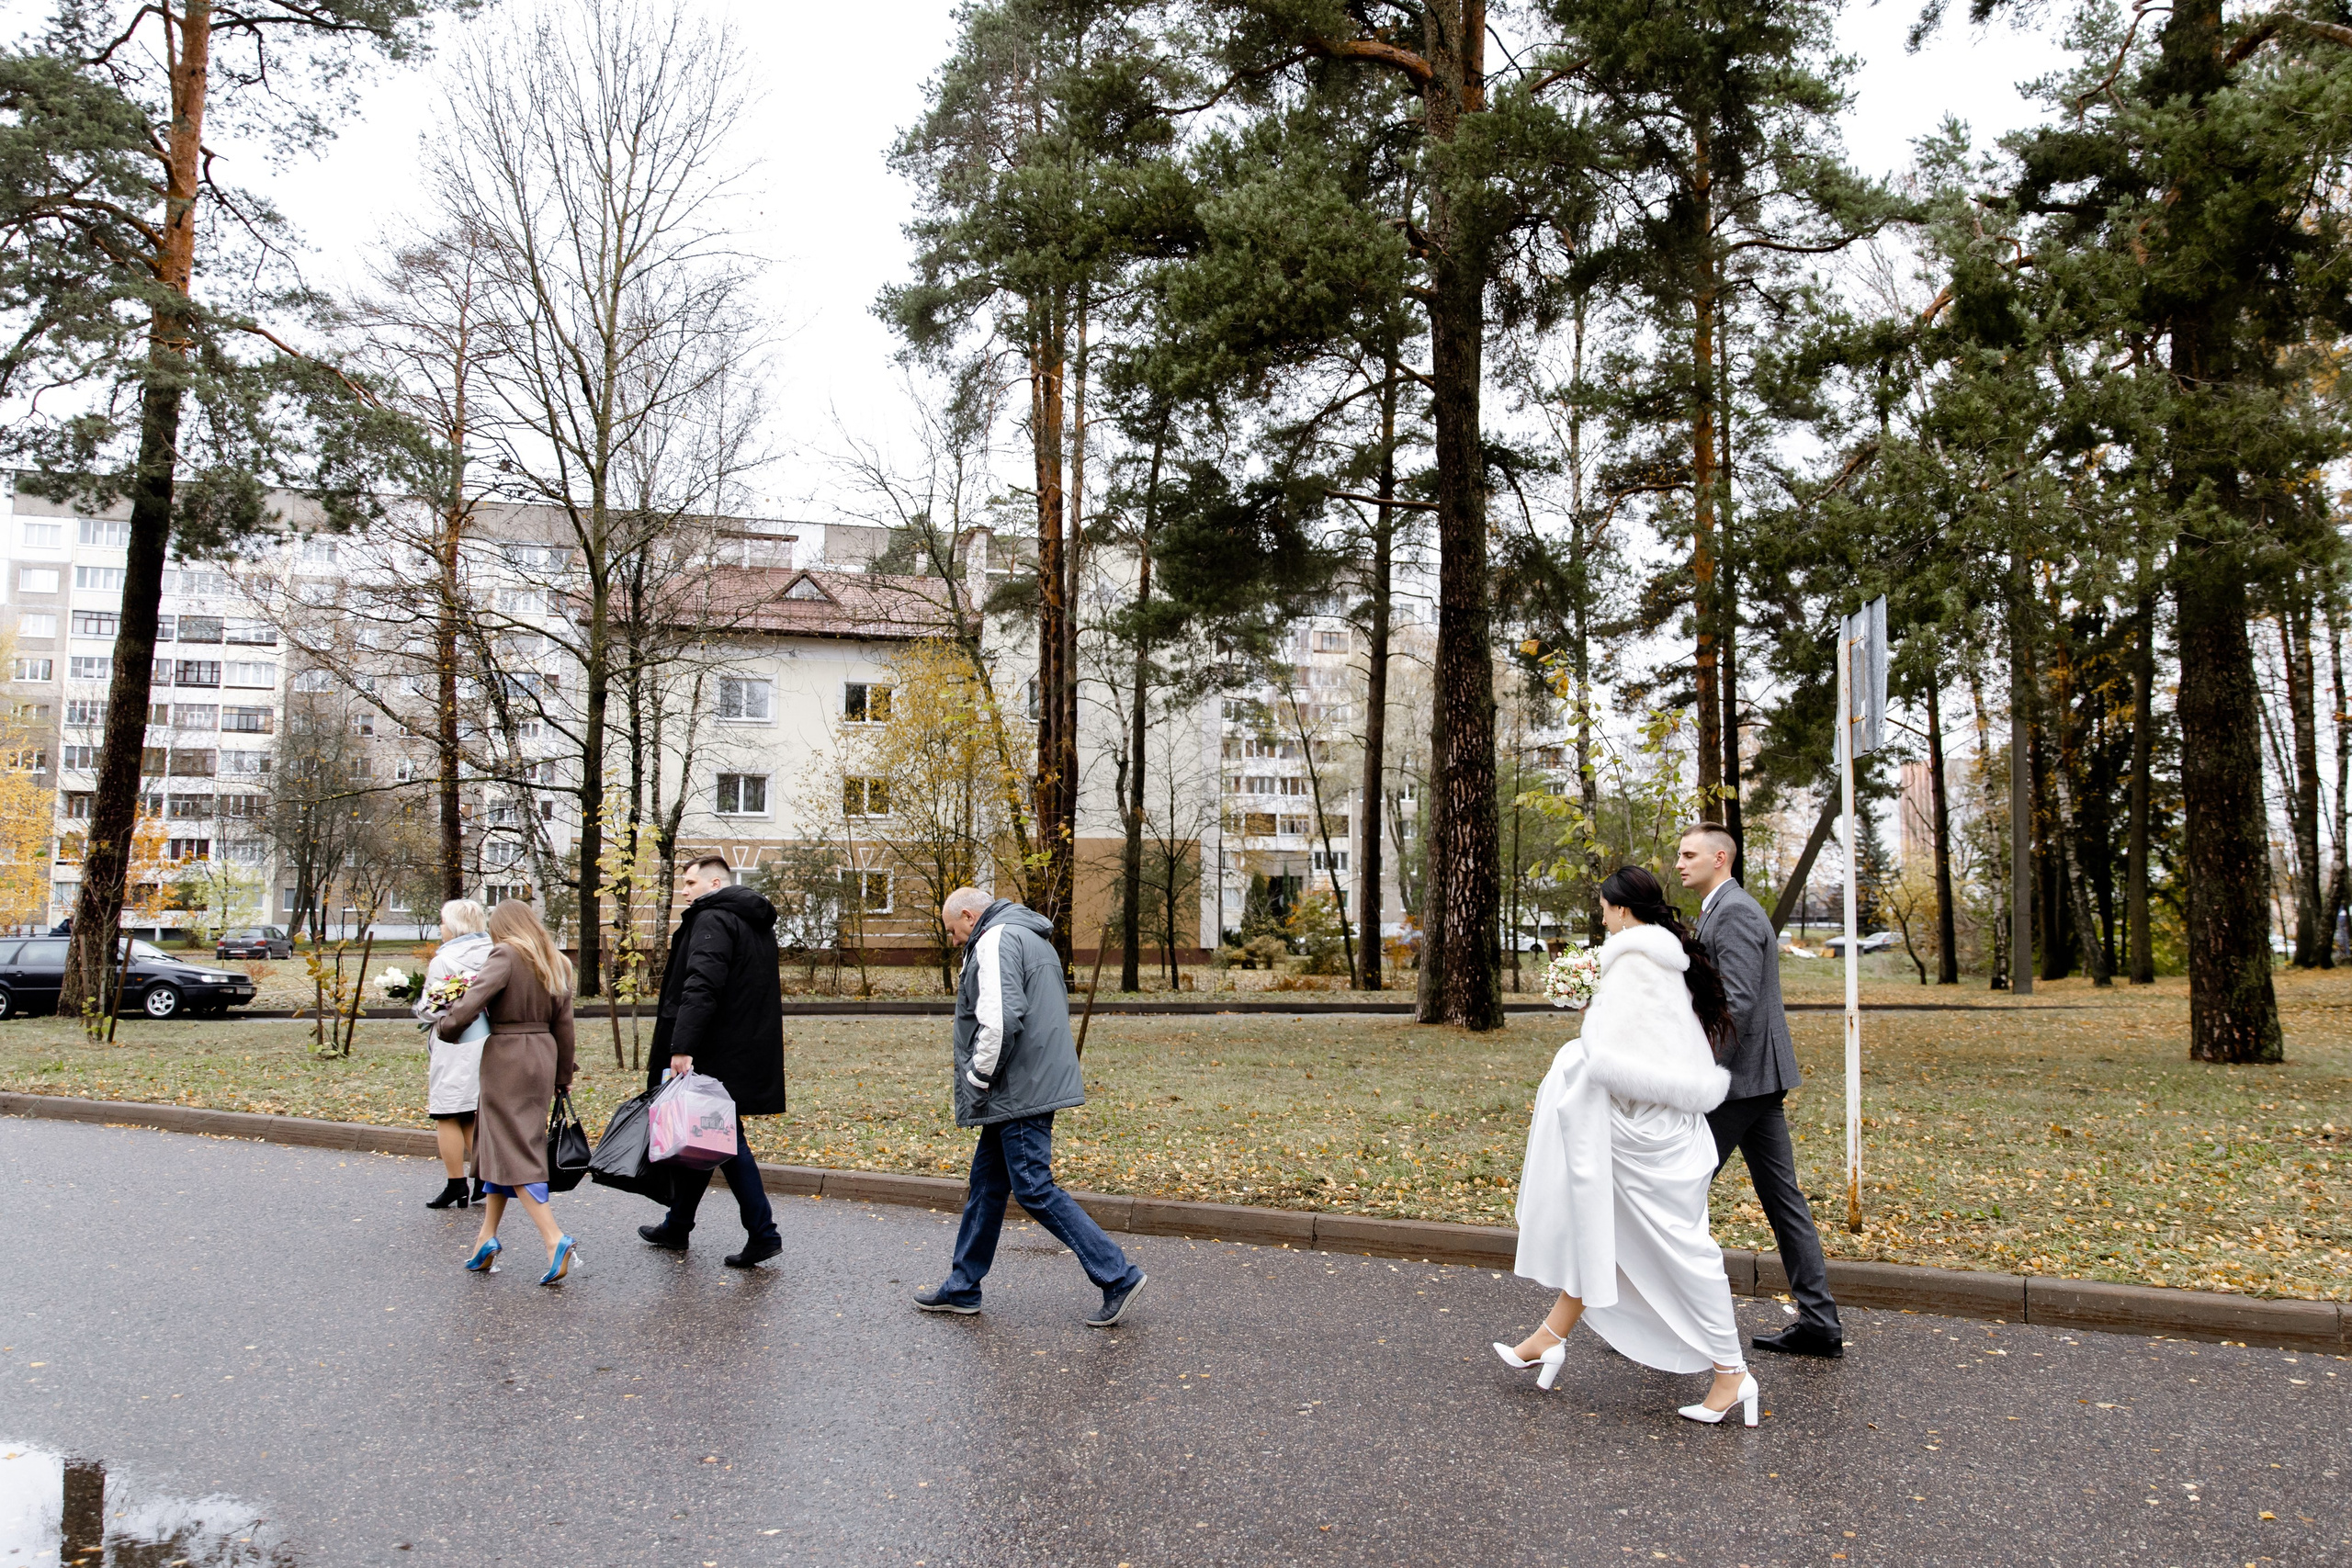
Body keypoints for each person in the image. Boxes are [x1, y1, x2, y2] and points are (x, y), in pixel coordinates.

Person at [1495, 867, 1756, 1425]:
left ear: (1620, 909)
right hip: (1653, 1129)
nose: (1601, 914)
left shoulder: (1635, 964)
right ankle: (1548, 1337)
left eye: (1603, 906)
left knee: (1684, 1255)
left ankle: (1733, 1372)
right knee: (1604, 1232)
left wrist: (1575, 1054)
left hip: (1647, 1136)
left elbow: (1618, 1064)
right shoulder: (1658, 958)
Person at [914, 887, 1145, 1326]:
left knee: (1034, 1188)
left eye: (953, 930)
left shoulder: (996, 938)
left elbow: (1001, 1017)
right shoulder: (1029, 936)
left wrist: (978, 1077)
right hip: (1024, 1082)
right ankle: (963, 1287)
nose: (955, 939)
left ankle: (1118, 1275)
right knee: (986, 1187)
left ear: (968, 915)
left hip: (1016, 1087)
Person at [1678, 820, 1844, 1358]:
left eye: (1689, 854)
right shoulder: (1716, 910)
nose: (1680, 863)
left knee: (1677, 1190)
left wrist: (1703, 1069)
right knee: (1783, 1199)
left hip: (1740, 1081)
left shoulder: (1737, 913)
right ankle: (1819, 1324)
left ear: (1720, 858)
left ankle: (1668, 1321)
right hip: (1755, 1080)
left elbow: (1740, 1005)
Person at [634, 856, 787, 1268]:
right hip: (740, 1046)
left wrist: (682, 1046)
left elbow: (701, 985)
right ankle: (678, 1224)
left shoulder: (713, 919)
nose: (684, 891)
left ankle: (763, 1232)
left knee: (724, 1139)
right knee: (705, 1134)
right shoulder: (751, 920)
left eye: (689, 883)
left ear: (714, 881)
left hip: (712, 1048)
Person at [436, 899, 580, 1286]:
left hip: (507, 1057)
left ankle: (554, 1239)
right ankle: (486, 1238)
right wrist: (563, 1073)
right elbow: (565, 1024)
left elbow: (473, 1000)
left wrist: (445, 1026)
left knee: (514, 1145)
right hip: (543, 1055)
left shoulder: (505, 954)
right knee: (497, 1141)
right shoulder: (557, 960)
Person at [419, 899, 493, 1209]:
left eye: (443, 922)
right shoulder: (496, 953)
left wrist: (419, 1007)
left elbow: (431, 1008)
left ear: (455, 926)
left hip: (454, 1042)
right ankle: (483, 1180)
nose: (440, 928)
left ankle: (456, 1183)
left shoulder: (445, 960)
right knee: (471, 1111)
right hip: (488, 1039)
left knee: (447, 1112)